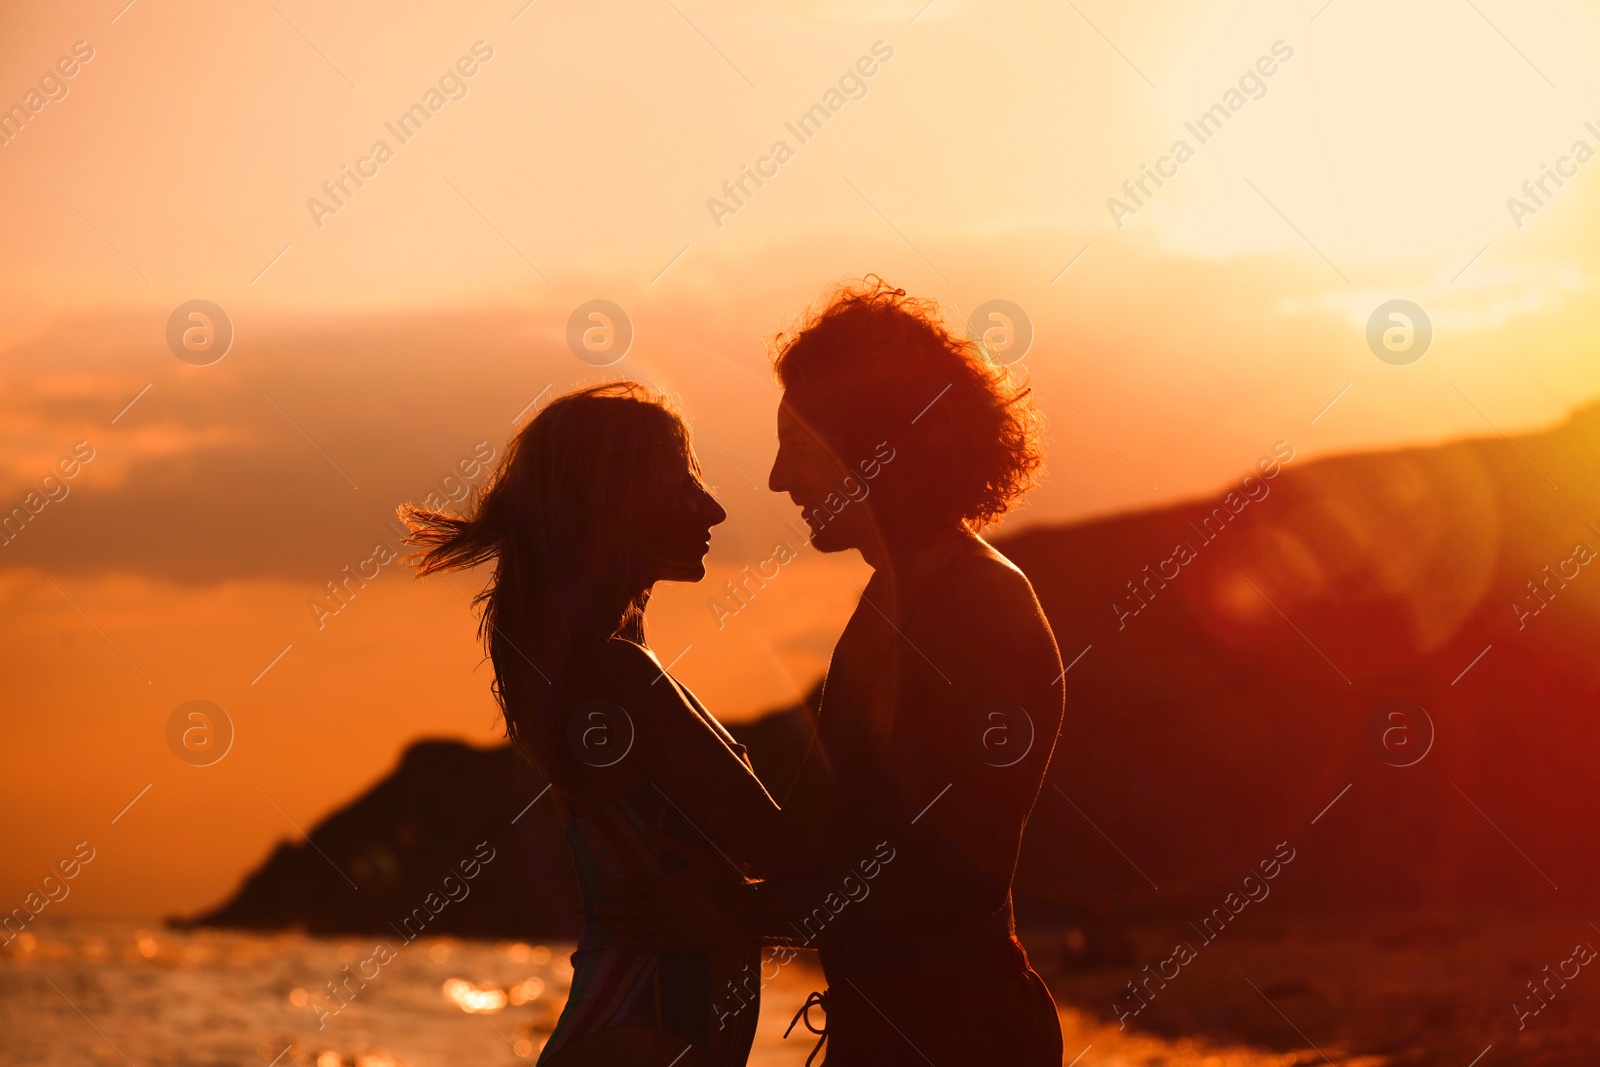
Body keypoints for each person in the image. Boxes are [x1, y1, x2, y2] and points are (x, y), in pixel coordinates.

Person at [604, 279, 1066, 1065]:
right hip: (881, 1029)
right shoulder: (879, 612)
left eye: (798, 441)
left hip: (967, 1037)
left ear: (870, 438)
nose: (781, 478)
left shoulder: (981, 607)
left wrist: (732, 915)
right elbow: (826, 843)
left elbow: (953, 882)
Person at [402, 382, 807, 1067]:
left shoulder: (603, 670)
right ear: (619, 504)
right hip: (641, 1038)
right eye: (685, 485)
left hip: (631, 1032)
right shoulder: (619, 678)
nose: (713, 506)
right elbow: (794, 852)